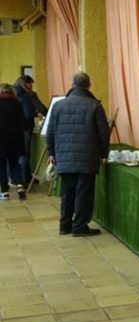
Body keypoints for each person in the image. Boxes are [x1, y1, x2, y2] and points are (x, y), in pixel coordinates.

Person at [46, 72, 109, 237]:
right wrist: (104, 153)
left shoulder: (58, 106)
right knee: (83, 193)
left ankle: (64, 225)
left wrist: (52, 152)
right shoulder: (95, 106)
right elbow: (103, 133)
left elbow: (50, 132)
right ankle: (80, 226)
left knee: (67, 193)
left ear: (72, 84)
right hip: (87, 157)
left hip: (64, 156)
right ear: (89, 86)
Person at [14, 75, 48, 187]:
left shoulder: (11, 93)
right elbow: (38, 110)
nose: (32, 87)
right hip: (25, 127)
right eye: (30, 84)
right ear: (25, 84)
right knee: (24, 153)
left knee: (16, 153)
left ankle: (24, 178)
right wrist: (46, 113)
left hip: (11, 128)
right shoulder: (29, 95)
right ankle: (23, 180)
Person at [0, 84, 26, 200]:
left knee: (2, 165)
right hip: (16, 139)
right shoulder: (18, 103)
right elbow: (24, 121)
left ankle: (5, 191)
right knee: (15, 163)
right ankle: (19, 185)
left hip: (1, 140)